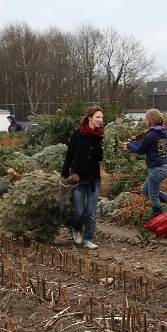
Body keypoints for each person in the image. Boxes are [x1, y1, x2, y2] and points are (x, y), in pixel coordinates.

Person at [61, 106, 104, 249]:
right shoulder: (77, 134)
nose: (100, 120)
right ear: (90, 117)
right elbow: (70, 155)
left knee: (91, 212)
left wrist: (100, 144)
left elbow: (99, 158)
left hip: (94, 179)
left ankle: (88, 239)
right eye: (98, 117)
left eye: (102, 118)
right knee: (79, 211)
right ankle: (75, 228)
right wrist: (64, 174)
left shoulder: (99, 136)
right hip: (78, 178)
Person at [123, 108, 167, 219]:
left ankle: (159, 219)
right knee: (146, 190)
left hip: (157, 169)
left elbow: (140, 150)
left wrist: (129, 146)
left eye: (146, 120)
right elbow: (144, 144)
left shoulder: (152, 135)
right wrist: (132, 143)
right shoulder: (161, 131)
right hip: (164, 167)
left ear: (150, 120)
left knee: (153, 195)